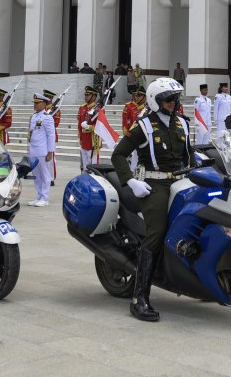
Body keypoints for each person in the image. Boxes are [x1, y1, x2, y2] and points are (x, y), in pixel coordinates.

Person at [111, 77, 192, 322]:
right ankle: (139, 297)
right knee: (156, 231)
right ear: (156, 102)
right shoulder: (143, 126)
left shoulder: (183, 124)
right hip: (154, 184)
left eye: (174, 99)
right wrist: (131, 181)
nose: (172, 103)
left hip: (180, 180)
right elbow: (119, 155)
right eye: (167, 99)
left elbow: (190, 157)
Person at [27, 91, 57, 207]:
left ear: (45, 104)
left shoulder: (47, 117)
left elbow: (51, 135)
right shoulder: (34, 116)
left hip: (43, 151)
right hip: (33, 150)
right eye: (34, 103)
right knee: (36, 175)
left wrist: (50, 152)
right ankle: (39, 196)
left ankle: (45, 197)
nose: (35, 105)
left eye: (38, 103)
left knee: (45, 175)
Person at [78, 85, 100, 167]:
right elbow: (79, 124)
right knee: (85, 166)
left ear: (94, 96)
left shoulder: (98, 109)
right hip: (84, 140)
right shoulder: (82, 108)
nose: (86, 97)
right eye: (85, 95)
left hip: (93, 141)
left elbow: (100, 126)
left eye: (88, 95)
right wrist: (80, 138)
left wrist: (89, 127)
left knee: (93, 166)